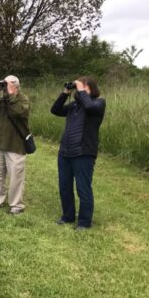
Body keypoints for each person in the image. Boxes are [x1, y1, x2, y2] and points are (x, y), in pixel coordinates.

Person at [51, 77, 106, 230]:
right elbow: (55, 110)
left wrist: (81, 89)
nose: (80, 90)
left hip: (83, 152)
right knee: (64, 186)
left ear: (92, 89)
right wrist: (65, 93)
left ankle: (84, 222)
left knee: (83, 188)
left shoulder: (98, 103)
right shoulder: (74, 105)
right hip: (65, 152)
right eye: (79, 88)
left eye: (84, 87)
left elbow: (89, 107)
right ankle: (67, 216)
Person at [0, 75, 30, 214]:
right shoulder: (2, 100)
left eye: (8, 84)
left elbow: (18, 112)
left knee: (16, 177)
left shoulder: (22, 99)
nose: (5, 86)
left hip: (15, 145)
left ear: (15, 86)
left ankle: (16, 205)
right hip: (0, 143)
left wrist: (11, 95)